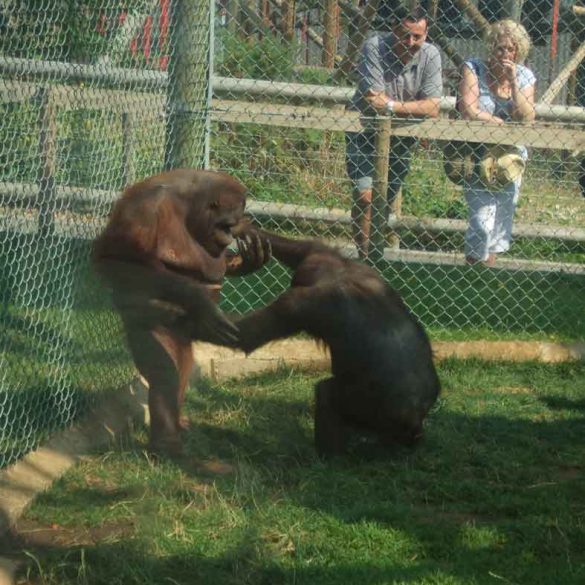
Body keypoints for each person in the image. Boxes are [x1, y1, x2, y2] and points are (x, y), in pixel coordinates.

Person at [345, 7, 443, 260]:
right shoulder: (374, 47)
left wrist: (391, 106)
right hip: (365, 131)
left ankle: (374, 258)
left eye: (417, 37)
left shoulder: (431, 55)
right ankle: (366, 261)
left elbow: (433, 106)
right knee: (365, 196)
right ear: (393, 30)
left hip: (402, 137)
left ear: (426, 34)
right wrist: (412, 109)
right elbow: (372, 99)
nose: (410, 43)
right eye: (404, 35)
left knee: (384, 203)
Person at [457, 19, 536, 267]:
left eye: (510, 49)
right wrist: (495, 121)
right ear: (491, 47)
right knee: (482, 221)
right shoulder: (474, 67)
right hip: (478, 152)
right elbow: (468, 108)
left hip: (509, 158)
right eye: (500, 48)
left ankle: (486, 276)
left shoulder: (524, 75)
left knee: (500, 223)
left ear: (518, 52)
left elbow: (526, 115)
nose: (504, 54)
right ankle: (471, 269)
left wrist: (513, 82)